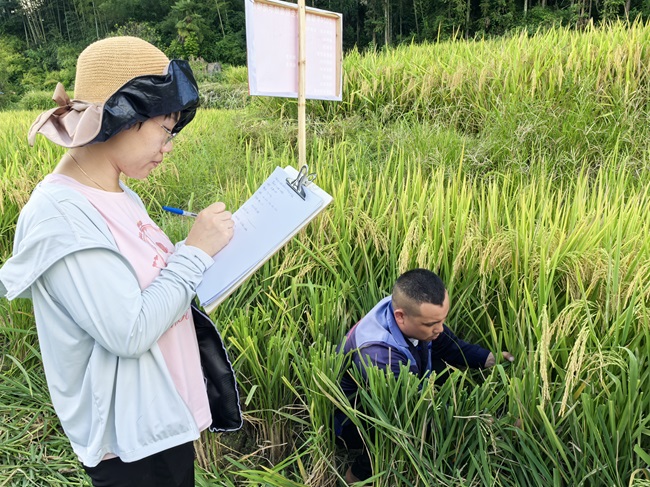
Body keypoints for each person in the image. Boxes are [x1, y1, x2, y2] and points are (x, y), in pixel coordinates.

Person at [0, 36, 242, 486]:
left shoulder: (117, 191)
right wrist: (193, 253)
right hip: (131, 446)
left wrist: (203, 254)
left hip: (160, 419)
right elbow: (128, 332)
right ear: (124, 119)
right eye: (165, 128)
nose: (169, 146)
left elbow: (145, 282)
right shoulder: (63, 218)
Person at [335, 268, 514, 484]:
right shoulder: (379, 355)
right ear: (400, 317)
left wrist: (491, 358)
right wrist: (485, 422)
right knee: (391, 433)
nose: (440, 329)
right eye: (431, 324)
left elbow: (448, 345)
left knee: (448, 369)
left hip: (400, 384)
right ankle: (356, 475)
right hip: (359, 418)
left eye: (442, 320)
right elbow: (410, 412)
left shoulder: (410, 312)